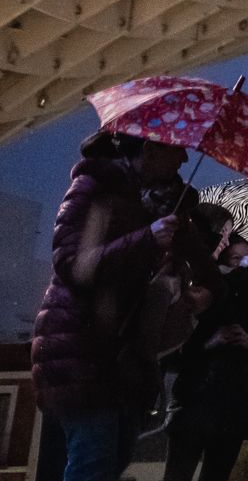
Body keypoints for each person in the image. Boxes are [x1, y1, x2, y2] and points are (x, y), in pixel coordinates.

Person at [32, 131, 223, 481]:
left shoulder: (173, 207)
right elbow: (73, 264)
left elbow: (210, 274)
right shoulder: (95, 189)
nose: (184, 158)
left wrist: (204, 294)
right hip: (82, 348)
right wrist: (146, 238)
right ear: (150, 151)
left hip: (132, 358)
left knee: (109, 464)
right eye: (177, 149)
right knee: (93, 465)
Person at [163, 231, 248, 481]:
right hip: (193, 406)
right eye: (234, 259)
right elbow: (169, 355)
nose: (242, 264)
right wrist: (208, 344)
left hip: (234, 413)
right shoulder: (199, 302)